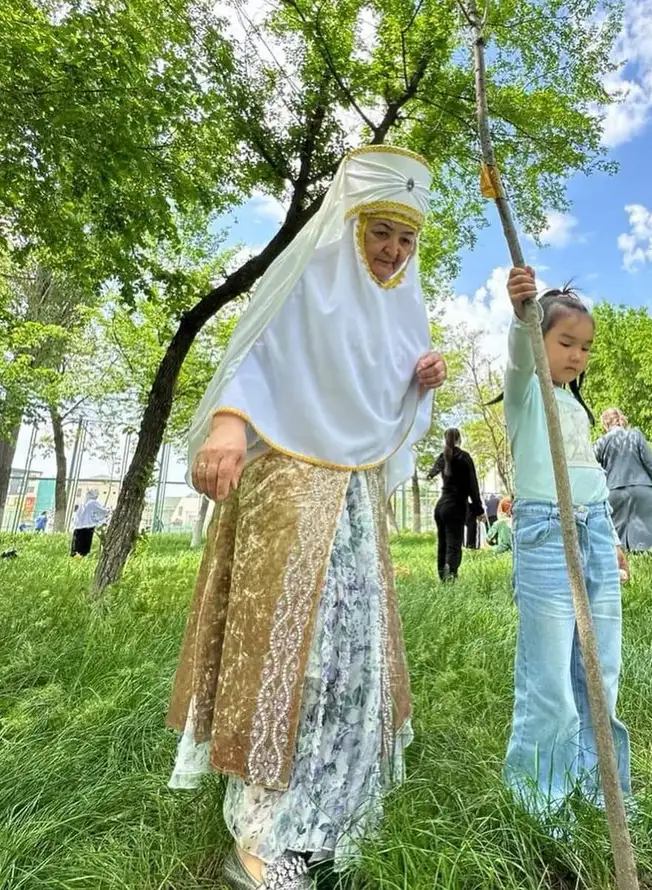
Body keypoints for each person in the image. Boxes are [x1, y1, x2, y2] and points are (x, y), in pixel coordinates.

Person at [165, 146, 447, 890]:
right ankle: (261, 836)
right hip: (286, 490)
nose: (392, 250)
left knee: (349, 657)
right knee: (290, 654)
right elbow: (255, 359)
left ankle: (332, 814)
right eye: (381, 230)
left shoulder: (398, 311)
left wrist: (417, 384)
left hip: (350, 508)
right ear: (351, 223)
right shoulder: (303, 285)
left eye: (406, 239)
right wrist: (228, 423)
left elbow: (378, 412)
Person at [502, 266, 631, 816]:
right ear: (540, 339)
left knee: (601, 665)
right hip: (546, 529)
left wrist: (611, 537)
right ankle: (541, 800)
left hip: (595, 527)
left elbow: (589, 476)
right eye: (564, 342)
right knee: (550, 675)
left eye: (584, 347)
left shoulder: (573, 404)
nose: (577, 355)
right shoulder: (526, 393)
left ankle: (602, 790)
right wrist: (521, 316)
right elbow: (519, 359)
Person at [594, 408, 652, 554]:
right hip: (643, 490)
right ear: (622, 420)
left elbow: (592, 468)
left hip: (614, 491)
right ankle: (647, 565)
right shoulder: (635, 436)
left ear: (605, 424)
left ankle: (624, 567)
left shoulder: (600, 442)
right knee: (647, 544)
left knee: (618, 542)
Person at [428, 428, 483, 581]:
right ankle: (451, 577)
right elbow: (473, 486)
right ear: (459, 439)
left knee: (442, 543)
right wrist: (479, 509)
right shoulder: (464, 457)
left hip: (440, 507)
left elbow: (432, 471)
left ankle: (442, 577)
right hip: (456, 507)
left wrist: (431, 473)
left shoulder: (444, 456)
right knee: (454, 544)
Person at [70, 490, 110, 556]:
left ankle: (75, 560)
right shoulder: (93, 502)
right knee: (84, 549)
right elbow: (102, 511)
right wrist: (108, 512)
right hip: (87, 528)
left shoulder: (84, 503)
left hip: (78, 528)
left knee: (76, 548)